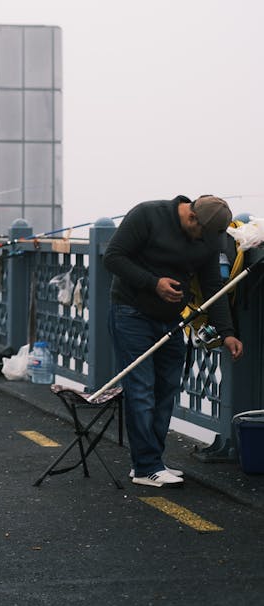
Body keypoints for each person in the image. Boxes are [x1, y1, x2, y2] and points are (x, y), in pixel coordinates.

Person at [104, 194, 243, 488]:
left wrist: (228, 332)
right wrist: (154, 283)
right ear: (192, 218)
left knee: (167, 388)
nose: (202, 244)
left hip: (171, 319)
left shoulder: (208, 238)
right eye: (201, 236)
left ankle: (150, 460)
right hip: (131, 312)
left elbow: (211, 286)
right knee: (141, 389)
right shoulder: (147, 215)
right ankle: (146, 466)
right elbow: (113, 257)